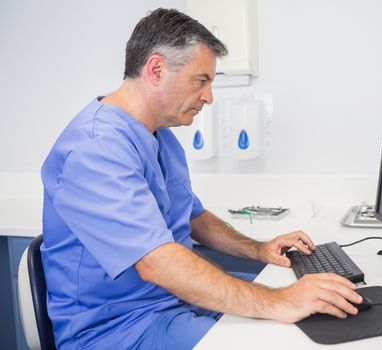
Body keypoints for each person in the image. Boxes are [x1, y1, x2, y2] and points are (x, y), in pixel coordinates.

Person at [41, 8, 363, 350]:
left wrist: (259, 249)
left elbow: (193, 217)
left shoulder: (159, 135)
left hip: (173, 300)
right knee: (279, 333)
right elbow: (157, 264)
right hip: (121, 327)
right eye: (202, 80)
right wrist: (277, 301)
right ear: (156, 69)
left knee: (317, 314)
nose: (209, 97)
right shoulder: (95, 150)